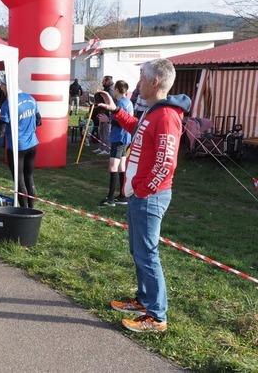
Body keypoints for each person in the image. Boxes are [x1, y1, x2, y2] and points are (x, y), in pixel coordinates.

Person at [98, 58, 191, 333]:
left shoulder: (166, 115)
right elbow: (138, 130)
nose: (137, 83)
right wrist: (116, 111)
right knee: (138, 251)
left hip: (149, 196)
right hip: (140, 193)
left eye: (141, 77)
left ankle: (157, 316)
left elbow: (166, 162)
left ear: (154, 82)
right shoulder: (153, 111)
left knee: (148, 254)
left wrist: (142, 189)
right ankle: (143, 300)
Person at [0, 91, 41, 208]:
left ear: (5, 87)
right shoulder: (31, 98)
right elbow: (39, 121)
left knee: (19, 179)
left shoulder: (8, 104)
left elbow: (0, 130)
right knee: (29, 176)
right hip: (32, 143)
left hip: (17, 147)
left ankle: (24, 211)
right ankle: (31, 210)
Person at [98, 80, 133, 207]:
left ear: (117, 90)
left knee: (113, 166)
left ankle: (110, 198)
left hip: (118, 137)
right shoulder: (129, 102)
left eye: (114, 89)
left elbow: (121, 121)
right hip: (126, 138)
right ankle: (123, 196)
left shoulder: (121, 103)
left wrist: (108, 120)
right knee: (121, 166)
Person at [95, 75, 114, 154]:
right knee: (101, 131)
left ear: (107, 81)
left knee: (106, 132)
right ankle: (101, 148)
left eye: (104, 81)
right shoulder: (105, 90)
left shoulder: (110, 91)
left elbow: (108, 103)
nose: (102, 82)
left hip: (107, 114)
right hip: (102, 112)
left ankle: (107, 150)